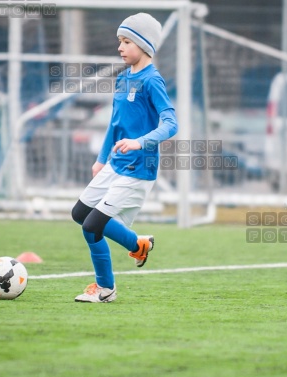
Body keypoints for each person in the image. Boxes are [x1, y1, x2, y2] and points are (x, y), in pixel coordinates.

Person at [71, 13, 177, 303]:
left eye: (126, 41)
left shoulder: (152, 81)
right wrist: (101, 157)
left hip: (138, 168)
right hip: (115, 164)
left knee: (92, 227)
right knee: (79, 214)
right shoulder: (122, 79)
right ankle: (138, 244)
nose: (120, 47)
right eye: (119, 41)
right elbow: (114, 124)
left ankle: (106, 290)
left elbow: (171, 124)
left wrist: (139, 142)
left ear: (144, 45)